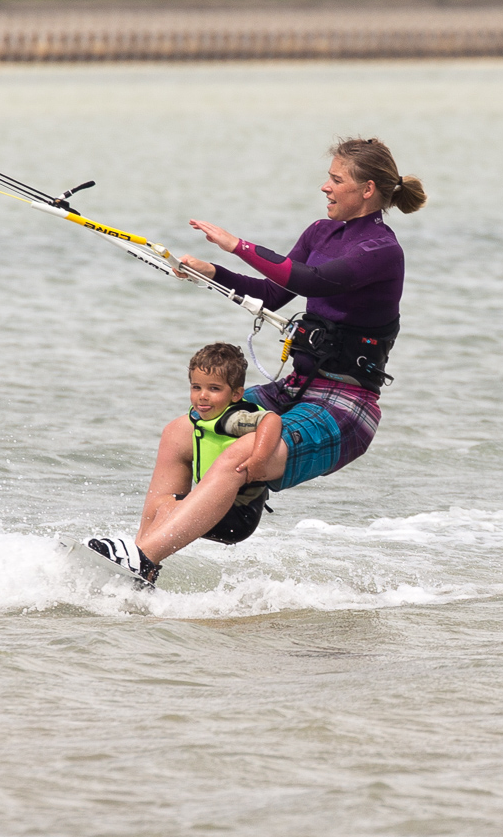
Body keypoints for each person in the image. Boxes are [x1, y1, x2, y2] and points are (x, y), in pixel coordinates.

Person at [88, 137, 426, 585]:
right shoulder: (321, 232)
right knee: (179, 432)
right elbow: (274, 292)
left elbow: (313, 281)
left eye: (336, 179)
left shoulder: (381, 250)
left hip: (346, 406)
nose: (325, 187)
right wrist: (214, 272)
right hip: (295, 389)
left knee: (242, 450)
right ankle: (139, 563)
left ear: (367, 189)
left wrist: (237, 245)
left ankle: (143, 557)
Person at [87, 343, 283, 584]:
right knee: (159, 504)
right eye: (196, 387)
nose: (203, 395)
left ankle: (142, 564)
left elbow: (271, 420)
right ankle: (138, 561)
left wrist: (260, 459)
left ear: (236, 394)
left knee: (167, 508)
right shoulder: (202, 416)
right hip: (218, 507)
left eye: (214, 389)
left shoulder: (233, 418)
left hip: (238, 515)